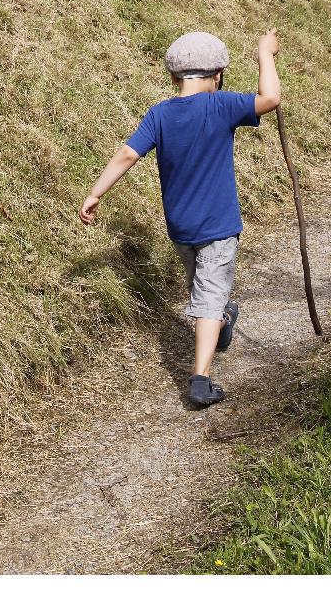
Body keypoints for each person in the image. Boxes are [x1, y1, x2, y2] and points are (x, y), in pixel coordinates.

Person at [80, 29, 281, 407]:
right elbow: (270, 97)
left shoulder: (160, 114)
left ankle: (211, 344)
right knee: (207, 297)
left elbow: (127, 154)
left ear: (174, 77)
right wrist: (264, 55)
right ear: (218, 75)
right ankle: (203, 374)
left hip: (180, 226)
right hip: (219, 226)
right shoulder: (221, 105)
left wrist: (95, 193)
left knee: (205, 292)